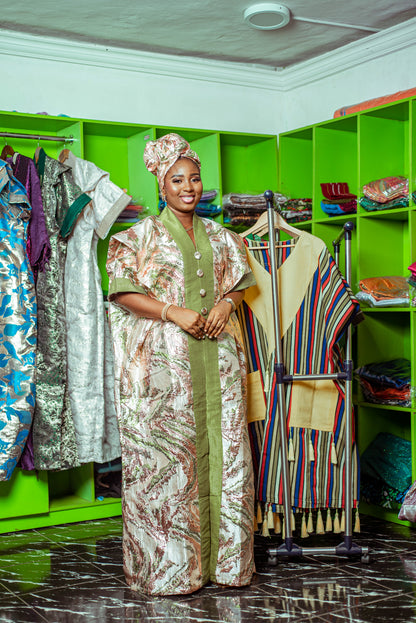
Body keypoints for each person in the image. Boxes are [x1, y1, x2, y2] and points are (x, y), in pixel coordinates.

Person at [106, 133, 256, 596]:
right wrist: (173, 311)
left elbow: (239, 284)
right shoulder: (135, 238)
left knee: (229, 458)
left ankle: (227, 567)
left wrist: (228, 305)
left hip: (220, 365)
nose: (188, 187)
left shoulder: (224, 237)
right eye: (177, 179)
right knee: (169, 465)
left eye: (194, 178)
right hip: (166, 371)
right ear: (161, 185)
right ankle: (172, 571)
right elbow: (122, 292)